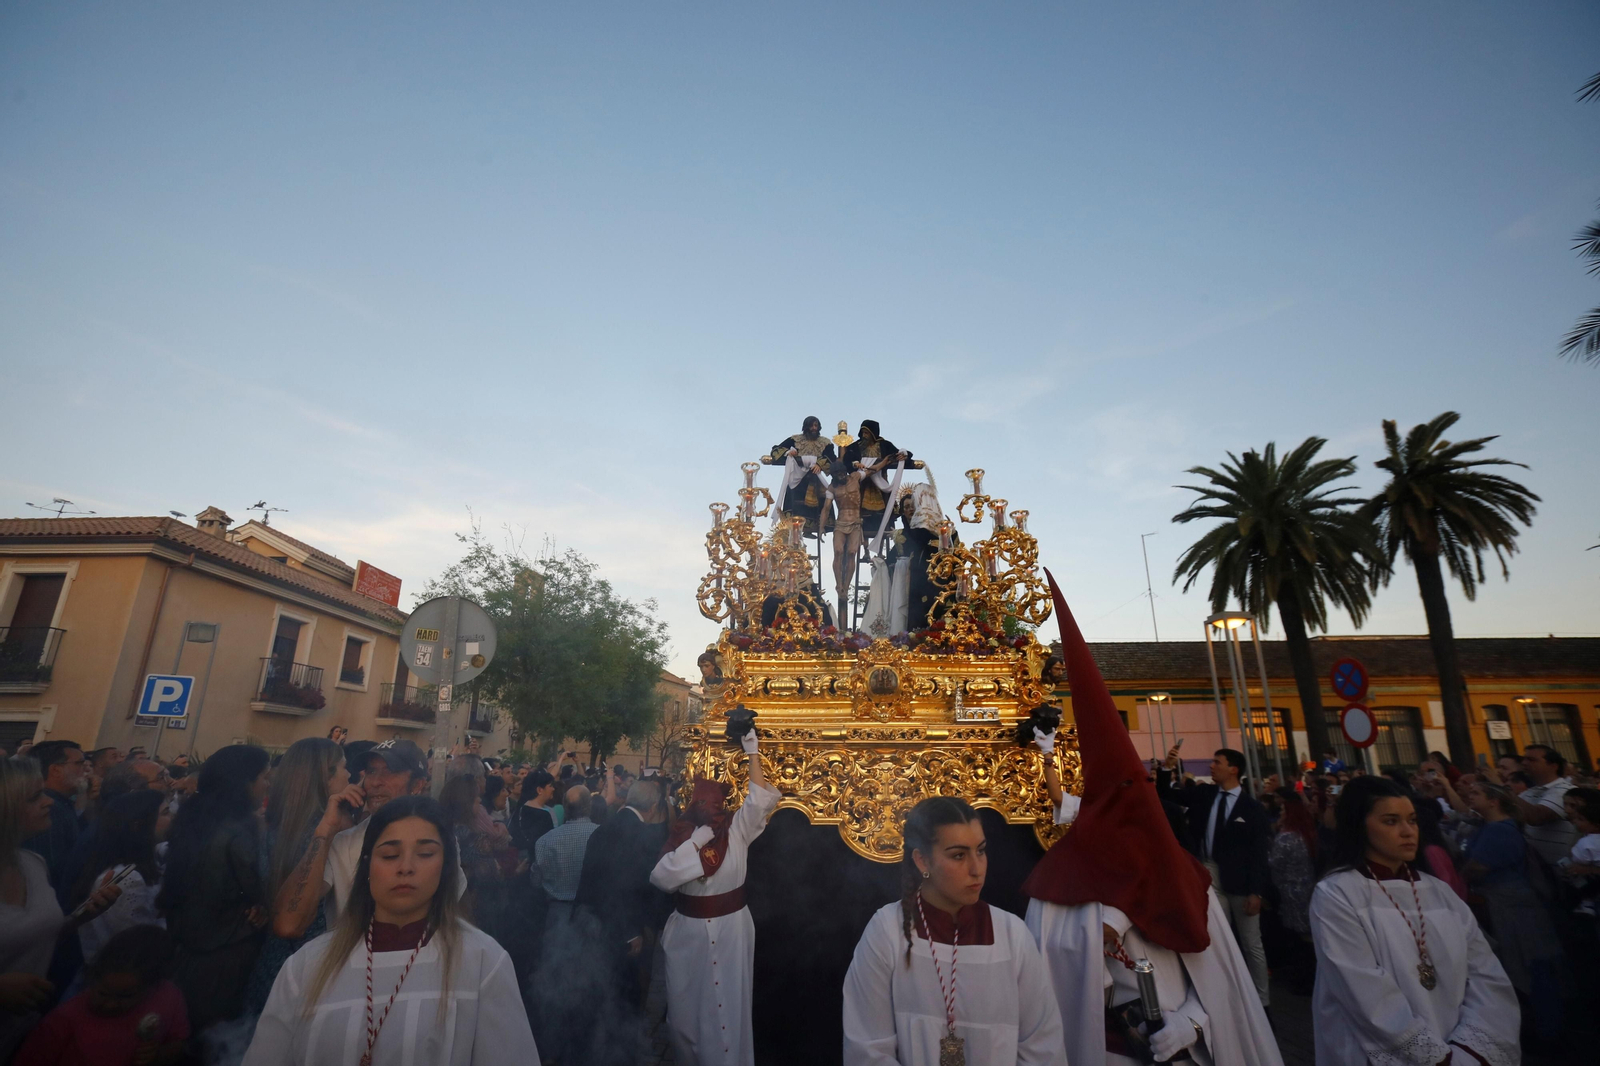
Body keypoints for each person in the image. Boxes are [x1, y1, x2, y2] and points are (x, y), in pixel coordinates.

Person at [1024, 573, 1277, 1066]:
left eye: (1142, 796)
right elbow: (1050, 1002)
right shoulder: (1056, 897)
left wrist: (1192, 1023)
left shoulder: (1188, 882)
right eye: (1122, 799)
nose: (1134, 811)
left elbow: (1221, 981)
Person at [243, 796, 539, 1065]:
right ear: (368, 867)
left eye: (425, 853)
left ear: (446, 866)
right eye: (389, 855)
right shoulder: (308, 966)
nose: (405, 867)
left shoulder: (483, 962)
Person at [1310, 777, 1519, 1066]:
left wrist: (1471, 1049)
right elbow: (1362, 988)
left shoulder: (1440, 892)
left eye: (1412, 820)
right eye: (1391, 821)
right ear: (1359, 825)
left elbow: (1485, 973)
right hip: (1377, 1046)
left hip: (1461, 1045)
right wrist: (1436, 1057)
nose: (1408, 832)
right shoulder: (1337, 892)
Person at [843, 796, 1065, 1066]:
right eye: (959, 855)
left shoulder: (1012, 935)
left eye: (980, 851)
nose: (976, 869)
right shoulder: (887, 931)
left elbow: (1043, 1048)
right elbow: (869, 1051)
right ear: (923, 861)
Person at [649, 730, 780, 1066]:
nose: (711, 812)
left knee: (731, 1012)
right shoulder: (682, 838)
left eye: (716, 806)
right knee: (687, 1015)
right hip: (688, 937)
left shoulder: (737, 831)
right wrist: (695, 843)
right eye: (703, 806)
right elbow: (663, 877)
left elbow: (760, 799)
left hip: (731, 930)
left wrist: (752, 752)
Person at [1, 757, 120, 1061]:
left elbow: (37, 933)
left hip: (19, 1033)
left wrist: (83, 915)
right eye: (34, 797)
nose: (48, 802)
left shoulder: (31, 863)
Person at [156, 743, 272, 1032]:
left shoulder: (195, 817)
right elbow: (259, 888)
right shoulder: (237, 830)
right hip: (225, 957)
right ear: (245, 782)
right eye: (265, 778)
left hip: (185, 953)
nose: (268, 786)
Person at [248, 737, 364, 1017]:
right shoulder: (328, 831)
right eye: (343, 767)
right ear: (326, 775)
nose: (350, 775)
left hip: (270, 964)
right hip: (311, 969)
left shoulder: (270, 822)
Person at [1159, 747, 1272, 1009]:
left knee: (1250, 942)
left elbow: (1258, 852)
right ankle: (1224, 993)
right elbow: (1167, 795)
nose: (1211, 766)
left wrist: (1256, 891)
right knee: (1218, 936)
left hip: (1241, 883)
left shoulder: (1251, 807)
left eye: (1217, 762)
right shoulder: (1206, 794)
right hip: (1209, 874)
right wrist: (1167, 767)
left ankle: (1262, 1002)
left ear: (1234, 769)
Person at [1461, 781, 1563, 1042]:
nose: (1468, 795)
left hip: (1515, 909)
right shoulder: (1492, 827)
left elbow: (1477, 866)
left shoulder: (1499, 831)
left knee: (1530, 967)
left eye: (1475, 792)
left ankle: (1548, 1031)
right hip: (1509, 905)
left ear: (1494, 801)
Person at [12, 925, 189, 1066]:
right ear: (93, 978)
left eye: (125, 997)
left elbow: (178, 1042)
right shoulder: (63, 1021)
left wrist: (160, 1055)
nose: (111, 1004)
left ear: (152, 986)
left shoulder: (169, 996)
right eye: (103, 993)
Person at [70, 789, 169, 969]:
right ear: (139, 825)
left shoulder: (134, 866)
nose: (172, 817)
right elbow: (141, 942)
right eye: (165, 813)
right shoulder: (127, 879)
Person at [20, 740, 88, 893]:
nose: (86, 769)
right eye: (79, 763)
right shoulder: (48, 809)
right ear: (56, 770)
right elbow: (50, 871)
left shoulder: (63, 804)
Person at [534, 784, 599, 921]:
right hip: (593, 912)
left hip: (557, 913)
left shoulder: (545, 841)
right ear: (589, 806)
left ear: (564, 806)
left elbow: (536, 881)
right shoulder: (603, 835)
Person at [1510, 745, 1576, 867]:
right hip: (1538, 869)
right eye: (1524, 759)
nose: (1524, 763)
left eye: (1531, 760)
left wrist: (1505, 791)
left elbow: (1537, 817)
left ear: (1553, 766)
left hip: (1563, 869)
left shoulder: (1565, 791)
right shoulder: (1528, 793)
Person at [768, 415, 837, 532]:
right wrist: (789, 452)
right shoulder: (795, 440)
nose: (814, 428)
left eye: (816, 425)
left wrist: (819, 464)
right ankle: (797, 528)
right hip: (797, 480)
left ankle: (816, 526)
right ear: (806, 427)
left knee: (819, 504)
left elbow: (832, 458)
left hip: (815, 478)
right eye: (811, 425)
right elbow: (776, 450)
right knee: (796, 505)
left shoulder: (825, 443)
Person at [509, 770, 558, 854]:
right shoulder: (543, 815)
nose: (553, 789)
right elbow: (548, 845)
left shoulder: (522, 808)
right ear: (539, 790)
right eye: (550, 786)